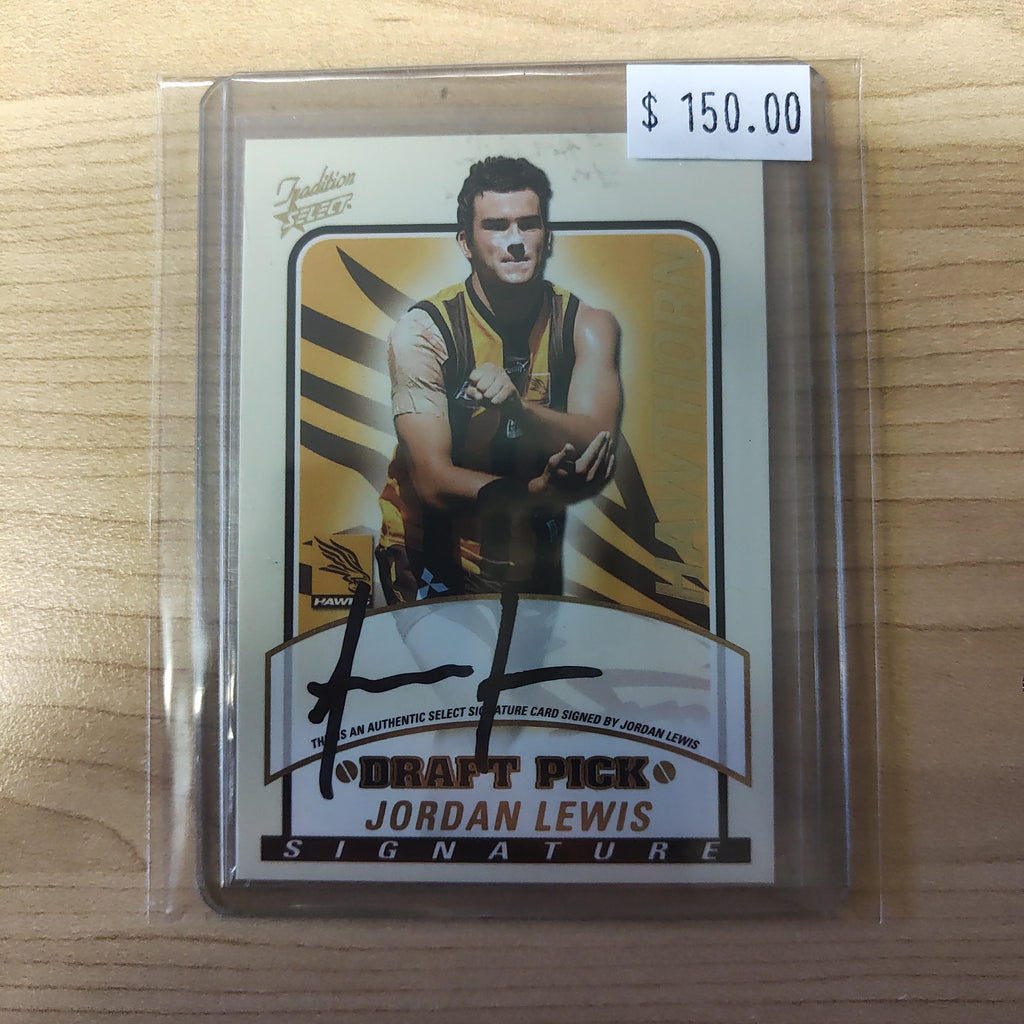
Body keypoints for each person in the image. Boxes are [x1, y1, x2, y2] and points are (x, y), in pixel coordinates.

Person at [376, 156, 622, 603]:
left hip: (532, 553)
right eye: (495, 226)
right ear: (466, 242)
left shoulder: (588, 325)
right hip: (431, 551)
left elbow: (596, 439)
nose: (515, 241)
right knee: (452, 653)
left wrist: (518, 410)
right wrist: (535, 493)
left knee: (527, 654)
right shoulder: (423, 332)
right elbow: (432, 482)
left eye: (528, 224)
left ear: (548, 237)